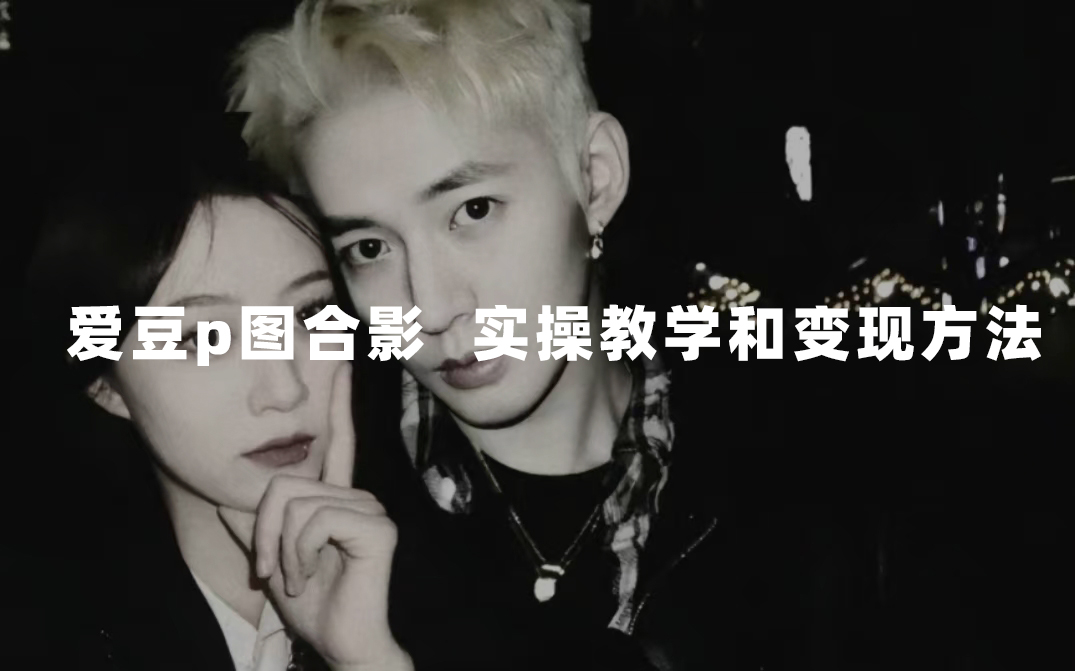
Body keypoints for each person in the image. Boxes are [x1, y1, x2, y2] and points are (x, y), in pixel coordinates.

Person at [229, 1, 869, 670]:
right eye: (368, 248)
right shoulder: (315, 523)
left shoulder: (812, 480)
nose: (432, 306)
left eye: (473, 210)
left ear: (594, 177)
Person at [23, 107, 412, 671]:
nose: (284, 389)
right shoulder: (44, 627)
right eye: (206, 337)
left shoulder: (474, 575)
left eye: (309, 314)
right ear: (105, 384)